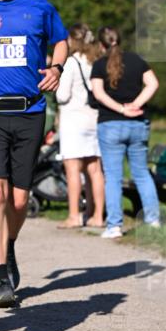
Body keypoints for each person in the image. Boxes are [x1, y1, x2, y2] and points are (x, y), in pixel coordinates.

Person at [0, 0, 68, 308]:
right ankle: (1, 275)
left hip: (30, 112)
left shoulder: (38, 4)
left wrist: (57, 68)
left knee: (18, 198)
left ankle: (8, 245)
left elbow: (61, 41)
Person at [90, 27, 160, 239]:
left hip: (110, 125)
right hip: (138, 123)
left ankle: (114, 226)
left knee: (112, 176)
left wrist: (121, 109)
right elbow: (153, 84)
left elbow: (98, 94)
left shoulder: (99, 65)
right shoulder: (137, 60)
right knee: (141, 173)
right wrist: (135, 105)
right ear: (119, 41)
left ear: (101, 45)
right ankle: (153, 219)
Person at [54, 24, 105, 229]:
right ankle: (97, 215)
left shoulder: (71, 63)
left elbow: (62, 95)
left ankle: (74, 216)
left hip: (73, 122)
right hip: (94, 119)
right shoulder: (95, 62)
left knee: (73, 169)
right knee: (94, 169)